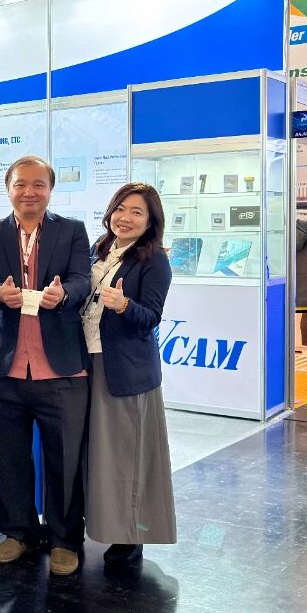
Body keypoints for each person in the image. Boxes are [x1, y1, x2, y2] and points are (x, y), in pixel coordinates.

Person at [0, 156, 91, 576]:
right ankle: (19, 532)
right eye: (21, 184)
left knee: (65, 459)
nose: (29, 192)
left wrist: (65, 294)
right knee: (10, 456)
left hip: (61, 369)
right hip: (3, 367)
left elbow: (82, 278)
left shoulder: (72, 230)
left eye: (38, 184)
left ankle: (64, 539)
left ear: (50, 190)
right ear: (8, 189)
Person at [81, 182, 176, 566]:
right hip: (89, 362)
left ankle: (132, 534)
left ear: (151, 221)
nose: (125, 218)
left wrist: (123, 305)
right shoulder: (99, 250)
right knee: (101, 455)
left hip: (126, 371)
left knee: (129, 457)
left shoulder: (155, 261)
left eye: (137, 212)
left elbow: (150, 317)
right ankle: (102, 524)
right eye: (120, 209)